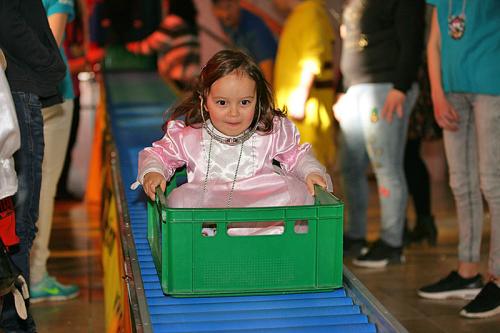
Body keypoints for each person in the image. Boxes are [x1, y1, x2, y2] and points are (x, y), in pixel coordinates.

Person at [133, 49, 332, 210]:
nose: (234, 113)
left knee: (300, 192)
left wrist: (310, 171)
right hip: (210, 206)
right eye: (222, 103)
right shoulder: (189, 136)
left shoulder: (268, 131)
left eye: (245, 102)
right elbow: (159, 154)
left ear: (257, 100)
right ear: (204, 101)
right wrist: (154, 171)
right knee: (180, 200)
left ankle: (274, 245)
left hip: (262, 204)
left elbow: (296, 156)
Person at [417, 0, 500, 319]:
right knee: (461, 183)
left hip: (491, 88)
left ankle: (497, 276)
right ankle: (468, 272)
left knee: (492, 183)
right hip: (451, 91)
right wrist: (436, 92)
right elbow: (434, 42)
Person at [333, 0, 425, 267]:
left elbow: (413, 39)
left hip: (386, 87)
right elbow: (348, 45)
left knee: (386, 167)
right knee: (350, 167)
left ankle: (392, 242)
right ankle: (356, 235)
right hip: (354, 90)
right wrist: (342, 88)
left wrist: (401, 86)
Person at [0, 0, 66, 330]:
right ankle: (18, 324)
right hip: (17, 87)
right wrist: (52, 65)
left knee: (16, 219)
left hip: (18, 85)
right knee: (19, 220)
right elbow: (9, 20)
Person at [29, 0, 80, 304]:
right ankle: (36, 275)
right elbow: (51, 41)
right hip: (52, 94)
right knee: (43, 186)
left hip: (8, 94)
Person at [272, 0, 337, 170]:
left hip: (307, 110)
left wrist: (301, 96)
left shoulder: (311, 14)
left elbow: (313, 57)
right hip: (298, 111)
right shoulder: (301, 15)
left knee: (311, 165)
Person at [126, 0, 200, 90]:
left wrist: (133, 47)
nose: (164, 4)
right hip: (191, 76)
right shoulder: (190, 24)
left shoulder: (173, 21)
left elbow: (153, 44)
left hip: (178, 76)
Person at [211, 0, 277, 84]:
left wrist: (267, 94)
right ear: (213, 9)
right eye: (220, 9)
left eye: (228, 7)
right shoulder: (227, 23)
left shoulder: (254, 28)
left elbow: (267, 67)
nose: (225, 14)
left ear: (238, 3)